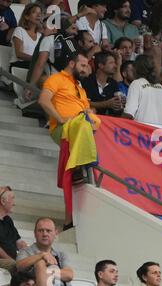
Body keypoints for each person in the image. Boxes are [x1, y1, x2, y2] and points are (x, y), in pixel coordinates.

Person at [38, 52, 92, 229]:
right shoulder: (56, 79)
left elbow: (88, 113)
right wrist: (60, 119)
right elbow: (43, 100)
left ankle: (71, 219)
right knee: (84, 125)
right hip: (63, 129)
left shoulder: (80, 88)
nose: (85, 69)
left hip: (79, 130)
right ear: (71, 63)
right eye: (82, 65)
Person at [16, 218, 74, 286]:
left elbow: (69, 275)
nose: (45, 234)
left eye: (48, 231)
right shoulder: (25, 252)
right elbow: (19, 266)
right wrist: (41, 255)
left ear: (55, 233)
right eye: (41, 230)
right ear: (35, 233)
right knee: (40, 263)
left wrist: (49, 271)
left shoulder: (61, 255)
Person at [123, 54, 162, 126]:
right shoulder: (161, 87)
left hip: (143, 134)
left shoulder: (136, 84)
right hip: (161, 135)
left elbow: (129, 114)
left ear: (136, 69)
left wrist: (114, 125)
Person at [81, 51, 122, 116]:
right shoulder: (87, 81)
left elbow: (116, 110)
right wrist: (106, 104)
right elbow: (84, 103)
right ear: (101, 65)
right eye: (111, 63)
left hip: (108, 122)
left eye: (115, 63)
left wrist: (119, 104)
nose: (115, 66)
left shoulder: (113, 83)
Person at [0, 186, 27, 273]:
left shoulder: (8, 220)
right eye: (12, 199)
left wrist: (30, 253)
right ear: (3, 201)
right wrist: (13, 261)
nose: (14, 203)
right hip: (4, 261)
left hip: (13, 260)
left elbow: (19, 243)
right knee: (16, 266)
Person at [9, 3, 42, 69]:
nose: (38, 15)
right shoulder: (19, 30)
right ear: (26, 16)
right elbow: (19, 54)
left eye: (40, 13)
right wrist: (37, 59)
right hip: (18, 65)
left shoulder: (40, 35)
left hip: (33, 65)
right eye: (34, 12)